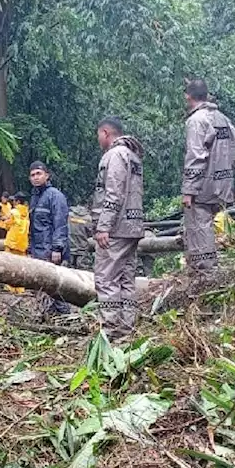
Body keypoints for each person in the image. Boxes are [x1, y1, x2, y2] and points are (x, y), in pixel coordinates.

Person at [92, 117, 145, 340]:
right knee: (126, 277)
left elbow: (113, 193)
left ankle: (111, 329)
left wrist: (103, 226)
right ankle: (127, 327)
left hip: (116, 227)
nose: (98, 140)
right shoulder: (133, 157)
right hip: (132, 225)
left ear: (105, 133)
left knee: (106, 278)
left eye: (98, 135)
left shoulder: (113, 156)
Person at [181, 78, 235, 285]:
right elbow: (232, 146)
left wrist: (189, 189)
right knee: (208, 225)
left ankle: (205, 274)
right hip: (222, 182)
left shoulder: (197, 120)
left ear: (188, 96)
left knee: (198, 225)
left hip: (204, 184)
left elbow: (196, 156)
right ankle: (207, 269)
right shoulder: (223, 119)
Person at [26, 161, 71, 316]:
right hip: (39, 252)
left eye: (39, 174)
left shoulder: (55, 196)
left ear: (47, 175)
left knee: (58, 289)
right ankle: (49, 319)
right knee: (43, 288)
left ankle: (66, 320)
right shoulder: (34, 198)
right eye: (32, 175)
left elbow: (60, 223)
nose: (36, 178)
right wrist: (30, 248)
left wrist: (57, 248)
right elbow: (33, 226)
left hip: (52, 252)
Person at [3, 191, 29, 293]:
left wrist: (5, 220)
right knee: (21, 267)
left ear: (17, 201)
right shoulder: (27, 213)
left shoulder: (13, 212)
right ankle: (20, 289)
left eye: (14, 200)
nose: (13, 202)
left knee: (9, 265)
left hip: (12, 243)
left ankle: (10, 287)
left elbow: (7, 225)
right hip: (22, 244)